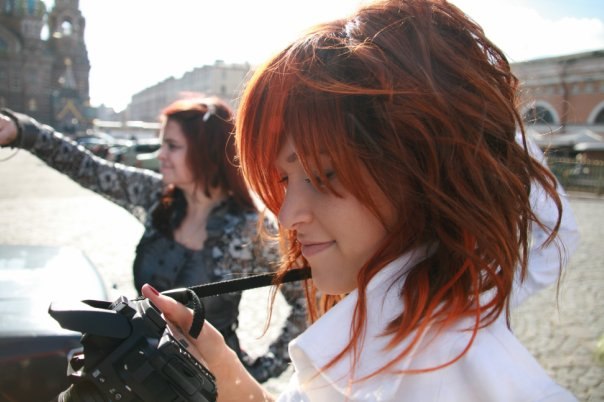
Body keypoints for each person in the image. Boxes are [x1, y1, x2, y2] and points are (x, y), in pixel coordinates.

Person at [139, 0, 583, 401]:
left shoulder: (463, 379)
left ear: (425, 170)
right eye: (284, 180)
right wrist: (223, 371)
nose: (287, 216)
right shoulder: (367, 335)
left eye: (321, 175)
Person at [0, 96, 307, 383]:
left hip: (214, 388)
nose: (160, 155)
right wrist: (23, 132)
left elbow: (306, 300)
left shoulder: (250, 229)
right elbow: (88, 168)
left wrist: (260, 370)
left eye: (172, 146)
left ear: (207, 153)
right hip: (141, 378)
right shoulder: (158, 198)